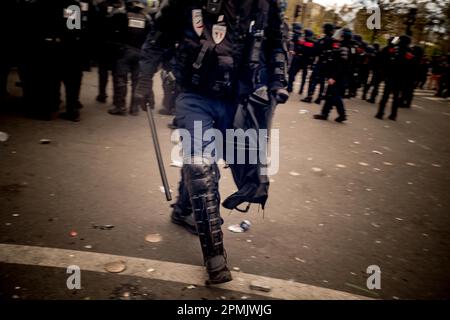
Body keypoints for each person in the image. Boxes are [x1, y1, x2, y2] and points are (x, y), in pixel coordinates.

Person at [135, 0, 288, 285]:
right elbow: (160, 35)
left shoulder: (265, 4)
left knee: (237, 165)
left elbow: (276, 42)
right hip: (195, 95)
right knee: (200, 165)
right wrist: (144, 81)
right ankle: (215, 256)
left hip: (241, 100)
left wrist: (278, 81)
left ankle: (183, 209)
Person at [108, 0, 152, 116]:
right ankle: (134, 108)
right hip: (140, 52)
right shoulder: (146, 18)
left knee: (121, 79)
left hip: (124, 51)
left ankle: (120, 107)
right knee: (136, 81)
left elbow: (112, 33)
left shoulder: (121, 14)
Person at [313, 27, 349, 123]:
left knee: (335, 95)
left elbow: (341, 65)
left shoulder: (344, 48)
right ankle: (325, 114)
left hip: (338, 77)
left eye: (340, 35)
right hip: (335, 75)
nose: (338, 36)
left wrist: (334, 77)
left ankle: (342, 114)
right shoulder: (340, 45)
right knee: (330, 95)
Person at [375, 35, 414, 121]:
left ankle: (380, 113)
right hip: (401, 78)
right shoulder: (410, 52)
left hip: (391, 76)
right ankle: (393, 115)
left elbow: (386, 60)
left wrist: (384, 73)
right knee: (396, 97)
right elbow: (411, 67)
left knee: (385, 96)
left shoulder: (394, 49)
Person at [302, 23, 334, 104]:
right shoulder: (332, 41)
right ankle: (319, 97)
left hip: (321, 63)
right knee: (322, 80)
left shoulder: (323, 40)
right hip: (327, 64)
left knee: (313, 79)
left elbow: (315, 50)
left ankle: (310, 96)